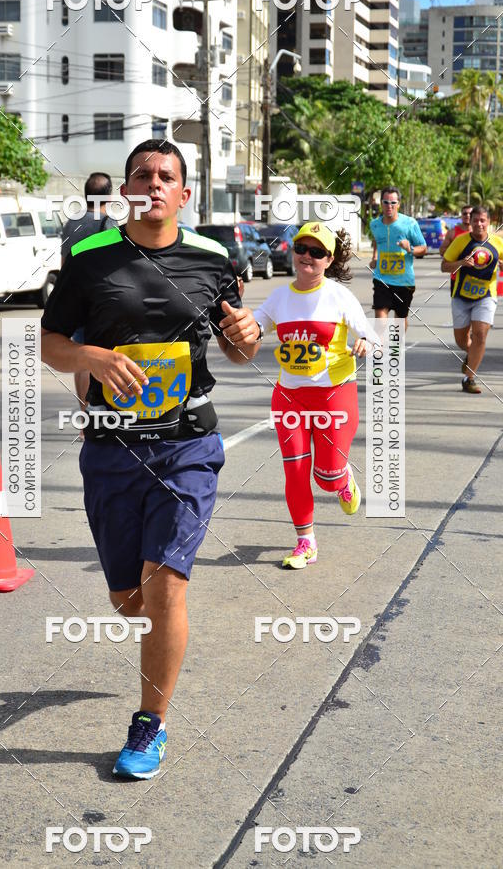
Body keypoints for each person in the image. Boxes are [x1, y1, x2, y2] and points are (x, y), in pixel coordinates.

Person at [41, 139, 261, 779]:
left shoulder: (214, 258)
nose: (154, 183)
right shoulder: (89, 259)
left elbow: (236, 347)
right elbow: (52, 343)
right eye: (143, 175)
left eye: (167, 176)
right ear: (127, 190)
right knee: (128, 601)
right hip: (111, 446)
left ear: (185, 193)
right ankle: (156, 631)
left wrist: (247, 339)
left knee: (165, 590)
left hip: (187, 444)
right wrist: (94, 358)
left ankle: (150, 724)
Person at [254, 222, 379, 570]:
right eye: (302, 249)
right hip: (290, 398)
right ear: (293, 253)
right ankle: (305, 542)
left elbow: (372, 334)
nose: (307, 257)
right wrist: (237, 320)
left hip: (334, 398)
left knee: (325, 476)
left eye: (317, 252)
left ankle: (341, 478)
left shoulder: (339, 296)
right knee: (295, 471)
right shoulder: (279, 297)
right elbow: (254, 325)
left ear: (328, 259)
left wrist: (366, 342)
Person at [61, 172, 119, 407]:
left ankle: (85, 413)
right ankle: (102, 410)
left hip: (76, 299)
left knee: (83, 356)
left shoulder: (71, 223)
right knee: (106, 355)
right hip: (102, 302)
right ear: (110, 195)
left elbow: (64, 265)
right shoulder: (110, 224)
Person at [441, 205, 503, 394]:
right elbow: (444, 266)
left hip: (486, 295)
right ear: (471, 222)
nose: (479, 224)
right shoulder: (460, 242)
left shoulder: (497, 243)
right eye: (475, 220)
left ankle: (469, 378)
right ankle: (472, 354)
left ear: (489, 222)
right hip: (461, 296)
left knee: (480, 335)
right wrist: (461, 263)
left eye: (483, 220)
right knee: (461, 340)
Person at [370, 187, 426, 331]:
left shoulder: (410, 223)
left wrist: (410, 249)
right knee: (380, 321)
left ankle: (395, 351)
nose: (390, 206)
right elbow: (377, 240)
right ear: (381, 203)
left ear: (399, 204)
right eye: (386, 202)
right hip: (382, 279)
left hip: (404, 281)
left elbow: (423, 248)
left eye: (393, 203)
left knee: (399, 322)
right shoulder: (375, 224)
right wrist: (374, 257)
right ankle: (381, 351)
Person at [439, 205, 473, 294]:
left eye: (470, 213)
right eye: (465, 213)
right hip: (457, 278)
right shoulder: (452, 232)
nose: (468, 216)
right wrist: (456, 253)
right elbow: (442, 251)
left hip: (476, 278)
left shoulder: (480, 233)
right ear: (461, 215)